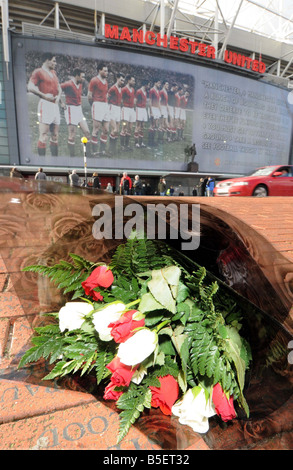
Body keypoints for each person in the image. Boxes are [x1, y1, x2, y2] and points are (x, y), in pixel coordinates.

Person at [27, 52, 63, 156]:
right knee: (43, 135)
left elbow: (58, 87)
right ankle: (41, 163)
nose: (55, 63)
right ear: (47, 60)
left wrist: (59, 97)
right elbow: (30, 86)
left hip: (55, 106)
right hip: (45, 104)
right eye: (54, 61)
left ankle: (55, 162)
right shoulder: (38, 71)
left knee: (55, 135)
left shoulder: (54, 73)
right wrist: (44, 96)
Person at [61, 68, 91, 157]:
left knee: (87, 132)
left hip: (79, 110)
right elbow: (57, 89)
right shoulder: (69, 84)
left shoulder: (80, 83)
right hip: (71, 109)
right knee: (72, 135)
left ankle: (88, 155)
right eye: (82, 77)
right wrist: (61, 102)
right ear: (77, 76)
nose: (83, 79)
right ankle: (72, 156)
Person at [88, 63, 110, 155]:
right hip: (97, 105)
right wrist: (93, 105)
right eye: (104, 71)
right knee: (96, 130)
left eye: (107, 71)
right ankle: (94, 152)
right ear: (99, 70)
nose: (106, 72)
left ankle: (102, 150)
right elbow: (89, 96)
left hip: (105, 105)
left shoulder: (106, 82)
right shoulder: (94, 80)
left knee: (106, 130)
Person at [108, 72, 125, 154]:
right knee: (114, 130)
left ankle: (114, 149)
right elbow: (107, 98)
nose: (122, 82)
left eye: (123, 81)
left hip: (118, 109)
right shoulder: (113, 88)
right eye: (121, 80)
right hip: (112, 108)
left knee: (117, 130)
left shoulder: (120, 89)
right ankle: (111, 149)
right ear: (117, 78)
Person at [121, 75, 136, 150]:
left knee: (130, 128)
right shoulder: (124, 89)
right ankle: (122, 146)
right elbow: (120, 99)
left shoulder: (133, 89)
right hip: (126, 109)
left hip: (132, 110)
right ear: (128, 81)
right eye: (133, 80)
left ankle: (126, 145)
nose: (134, 82)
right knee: (124, 127)